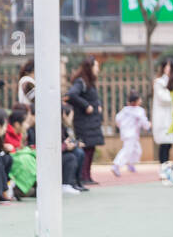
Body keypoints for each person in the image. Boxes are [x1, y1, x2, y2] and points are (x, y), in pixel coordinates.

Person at [66, 56, 104, 185]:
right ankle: (83, 176)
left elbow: (92, 96)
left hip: (92, 121)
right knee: (86, 148)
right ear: (90, 67)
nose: (98, 69)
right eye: (96, 66)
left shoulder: (89, 82)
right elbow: (71, 95)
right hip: (84, 122)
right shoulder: (80, 82)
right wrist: (86, 105)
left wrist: (97, 104)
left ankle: (88, 176)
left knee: (91, 148)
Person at [111, 91, 151, 176]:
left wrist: (121, 126)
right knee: (127, 151)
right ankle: (116, 165)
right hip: (131, 134)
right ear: (136, 101)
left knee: (137, 150)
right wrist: (148, 125)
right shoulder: (139, 111)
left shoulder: (124, 110)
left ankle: (130, 164)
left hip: (127, 133)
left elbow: (117, 119)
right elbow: (144, 122)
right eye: (139, 99)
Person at [152, 59, 173, 181]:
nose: (169, 69)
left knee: (169, 144)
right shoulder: (159, 82)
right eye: (167, 67)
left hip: (170, 118)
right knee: (164, 145)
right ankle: (163, 171)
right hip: (162, 118)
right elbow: (165, 98)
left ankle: (167, 170)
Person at [60, 104, 86, 194]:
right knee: (76, 154)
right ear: (64, 114)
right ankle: (70, 182)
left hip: (63, 150)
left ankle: (77, 181)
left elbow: (68, 139)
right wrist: (65, 146)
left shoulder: (65, 127)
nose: (72, 118)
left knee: (79, 152)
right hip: (59, 152)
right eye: (71, 115)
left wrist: (75, 143)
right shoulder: (59, 126)